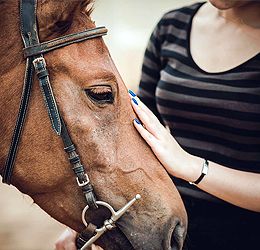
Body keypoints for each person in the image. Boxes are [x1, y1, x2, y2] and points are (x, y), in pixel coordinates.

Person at [55, 0, 260, 249]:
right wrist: (87, 220)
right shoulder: (172, 26)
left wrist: (193, 167)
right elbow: (133, 130)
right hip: (161, 225)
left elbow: (180, 161)